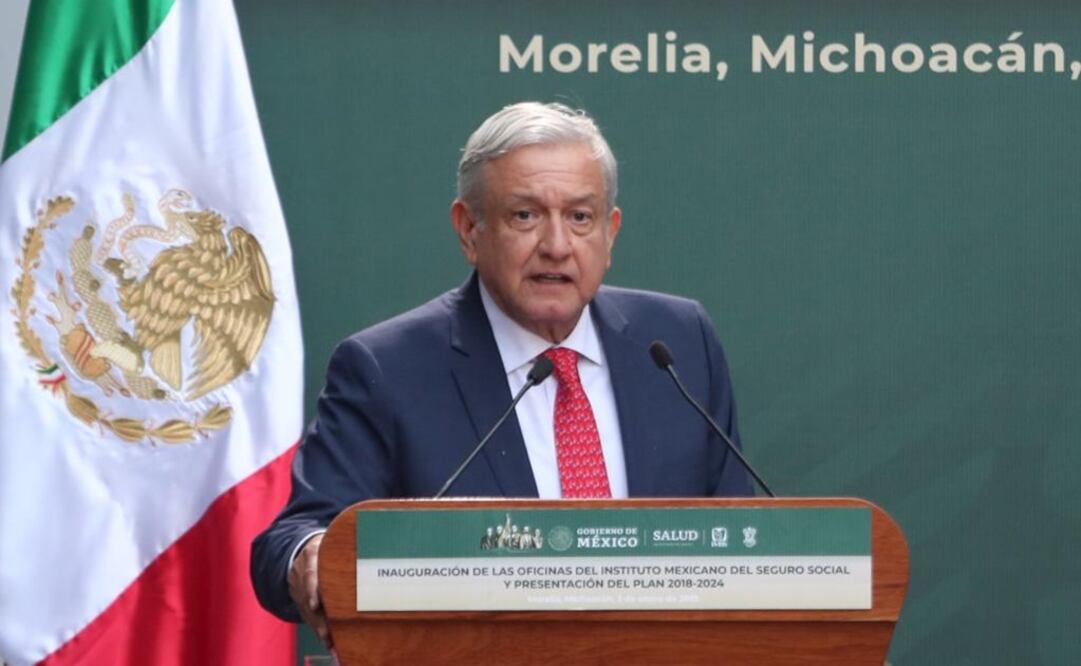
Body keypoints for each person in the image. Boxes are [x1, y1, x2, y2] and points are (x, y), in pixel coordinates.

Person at [250, 101, 753, 645]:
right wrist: (312, 554)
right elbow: (290, 539)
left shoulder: (678, 342)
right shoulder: (388, 367)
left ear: (610, 233)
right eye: (525, 216)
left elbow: (744, 537)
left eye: (580, 217)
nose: (557, 245)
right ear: (469, 230)